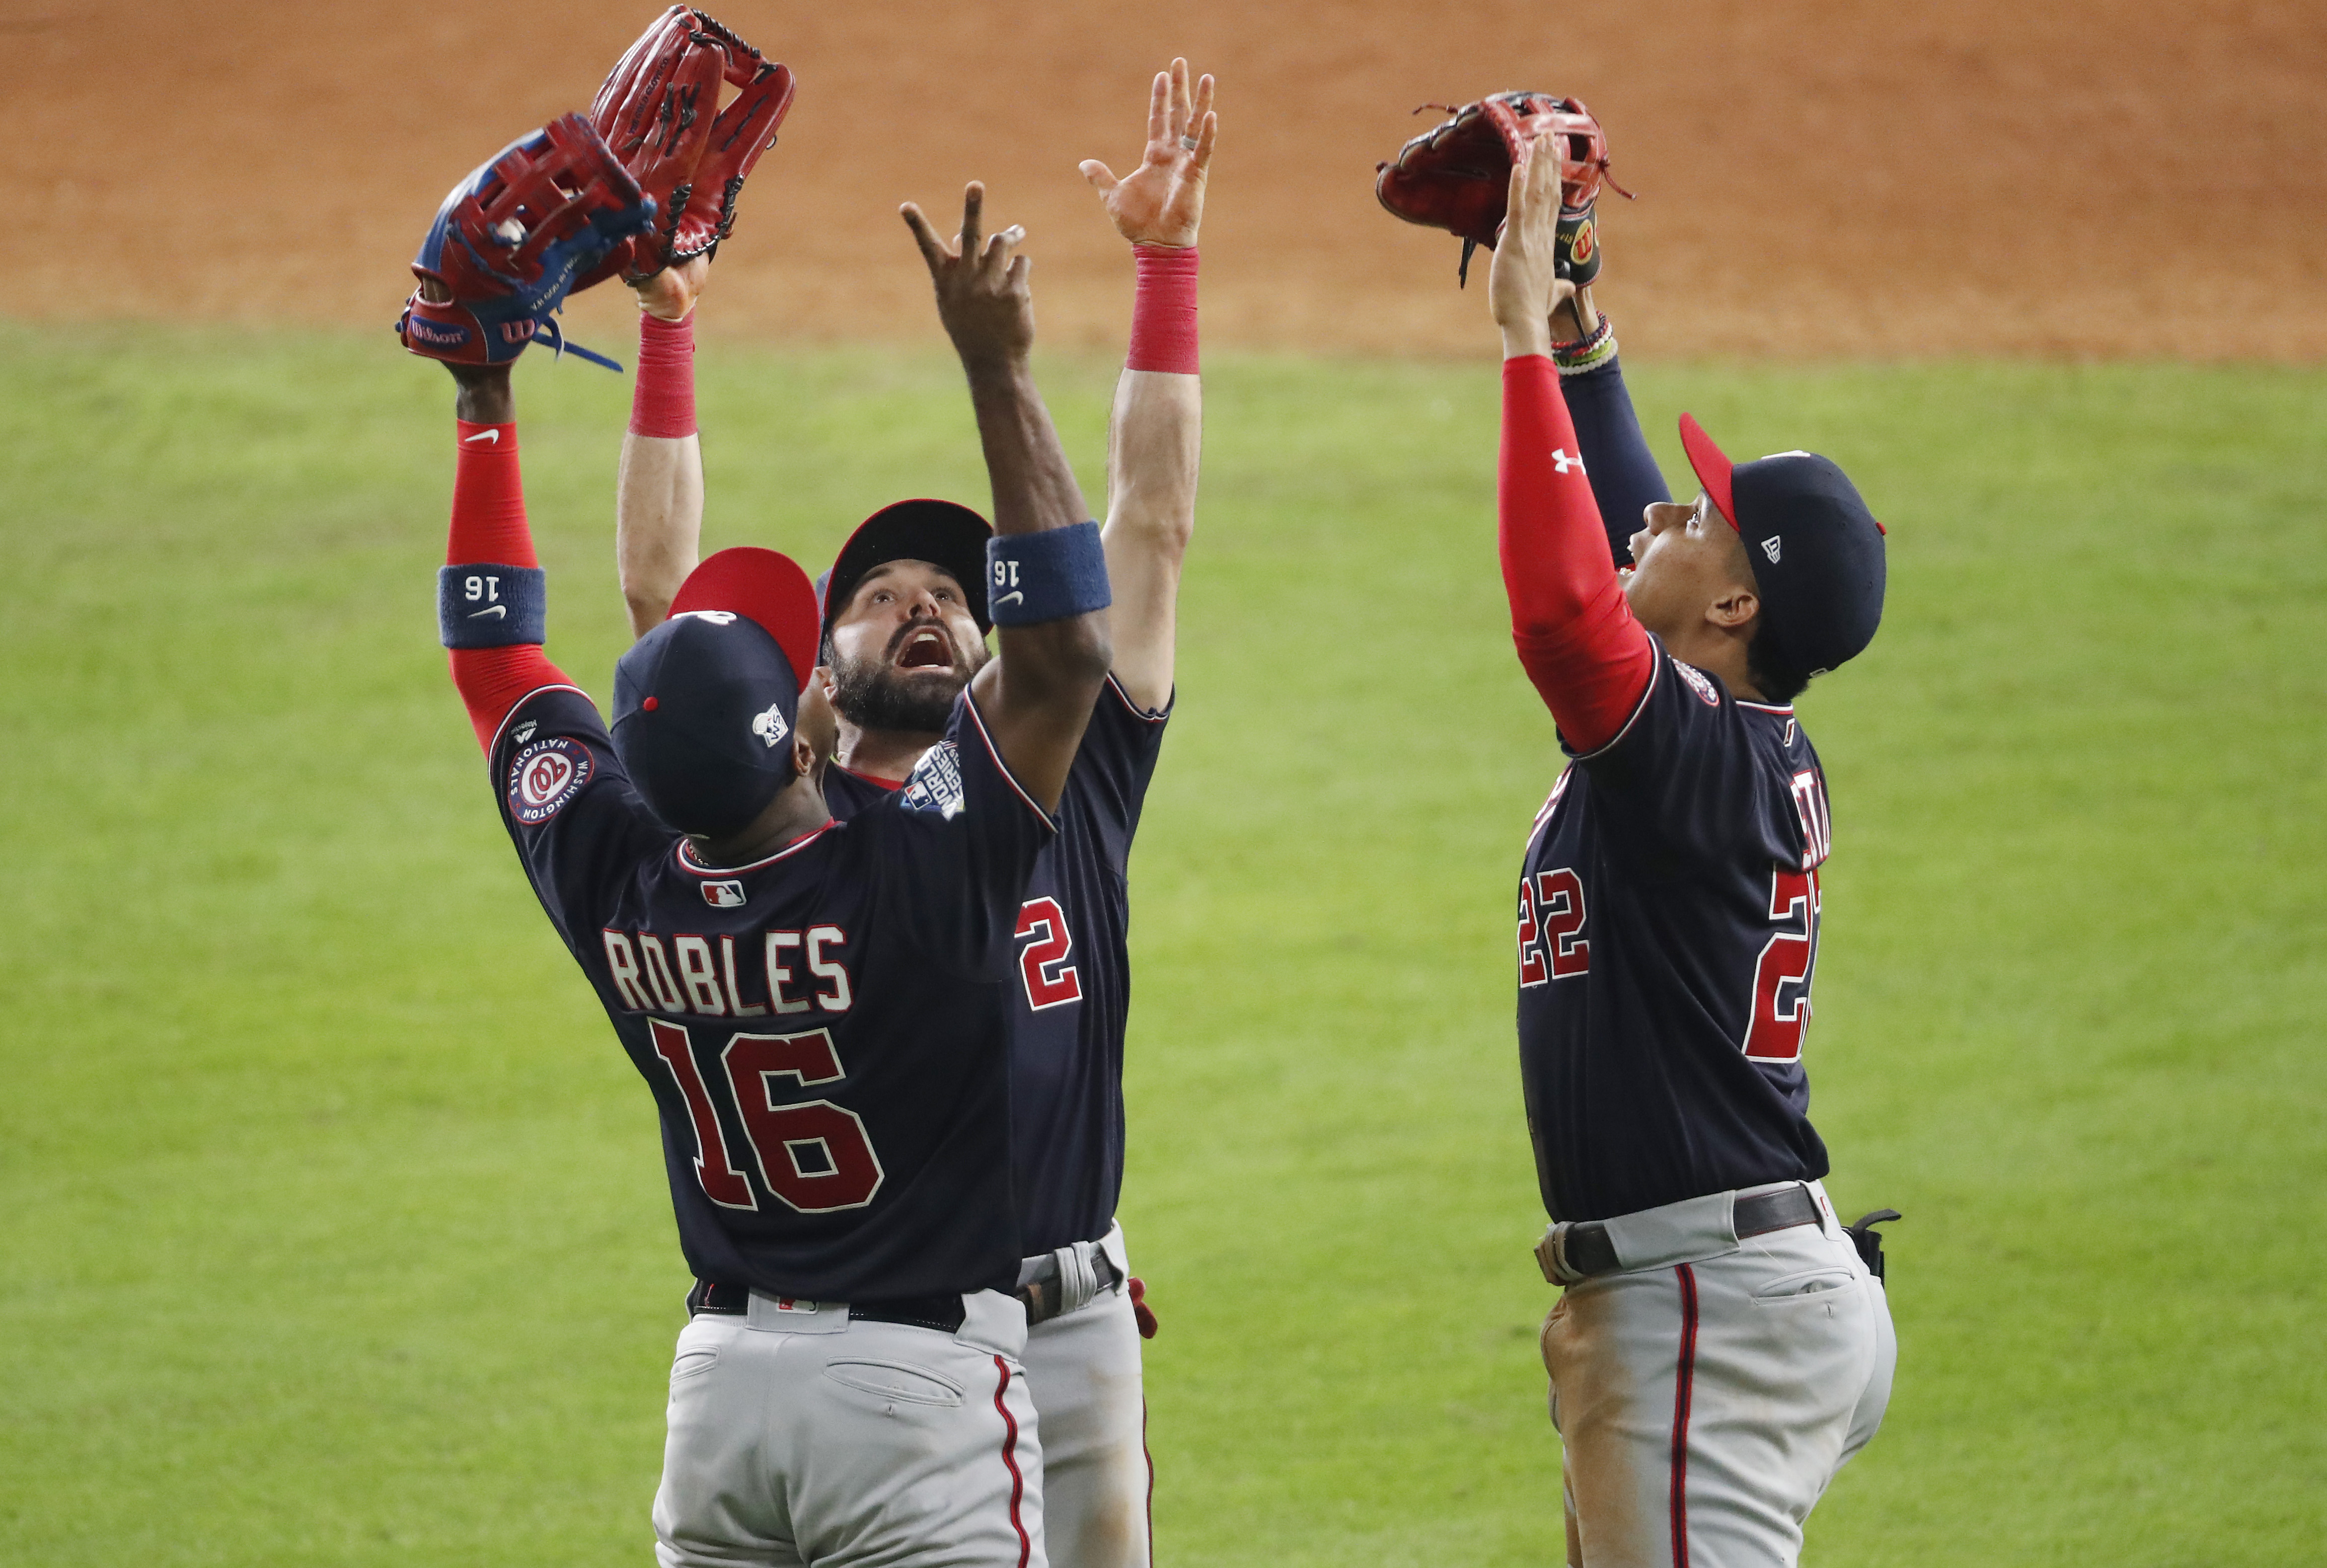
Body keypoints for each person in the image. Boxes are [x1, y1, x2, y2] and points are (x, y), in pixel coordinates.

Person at [432, 180, 1112, 1567]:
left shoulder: (619, 874)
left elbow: (497, 658)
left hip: (721, 1398)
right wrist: (998, 365)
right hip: (916, 1402)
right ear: (804, 730)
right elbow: (1064, 659)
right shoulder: (912, 876)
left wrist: (483, 399)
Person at [610, 60, 1215, 1568]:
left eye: (952, 592)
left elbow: (1147, 525)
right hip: (899, 1335)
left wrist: (1165, 266)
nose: (924, 610)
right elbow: (655, 608)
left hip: (1072, 1321)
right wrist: (670, 329)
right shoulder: (786, 829)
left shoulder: (1066, 777)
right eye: (880, 599)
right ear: (813, 682)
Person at [1484, 131, 1898, 1565]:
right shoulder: (1723, 739)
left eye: (1699, 517)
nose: (1661, 507)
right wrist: (1583, 325)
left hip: (1712, 1307)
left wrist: (1520, 348)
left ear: (1732, 608)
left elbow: (1559, 608)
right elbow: (1616, 533)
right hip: (1733, 1277)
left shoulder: (1693, 755)